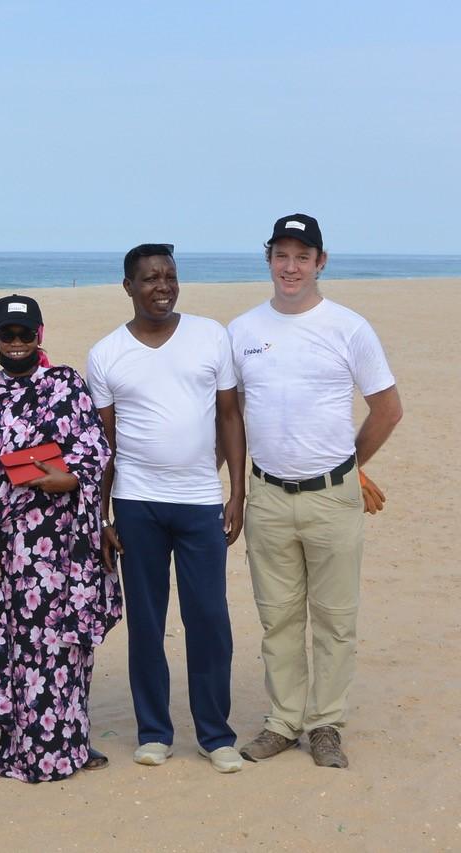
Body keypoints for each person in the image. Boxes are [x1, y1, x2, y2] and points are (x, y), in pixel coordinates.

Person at [230, 214, 402, 769]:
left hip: (333, 496)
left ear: (321, 262)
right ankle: (283, 722)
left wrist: (352, 467)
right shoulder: (243, 331)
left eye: (303, 256)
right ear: (269, 260)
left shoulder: (349, 327)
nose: (291, 267)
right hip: (269, 496)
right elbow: (229, 417)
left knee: (334, 618)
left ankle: (325, 723)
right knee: (278, 617)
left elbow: (388, 409)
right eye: (281, 255)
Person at [86, 244, 245, 774]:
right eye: (150, 278)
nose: (163, 286)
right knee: (147, 623)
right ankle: (154, 732)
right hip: (136, 504)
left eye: (170, 277)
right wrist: (103, 516)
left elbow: (229, 415)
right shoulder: (106, 353)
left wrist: (236, 491)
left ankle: (215, 734)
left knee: (208, 619)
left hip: (200, 501)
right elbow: (103, 443)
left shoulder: (210, 335)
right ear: (128, 286)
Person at [0, 294, 121, 783]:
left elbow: (97, 449)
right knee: (16, 649)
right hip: (9, 547)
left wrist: (70, 478)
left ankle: (71, 744)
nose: (17, 344)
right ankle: (23, 748)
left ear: (41, 335)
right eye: (7, 335)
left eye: (26, 334)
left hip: (65, 547)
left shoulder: (68, 384)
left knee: (65, 648)